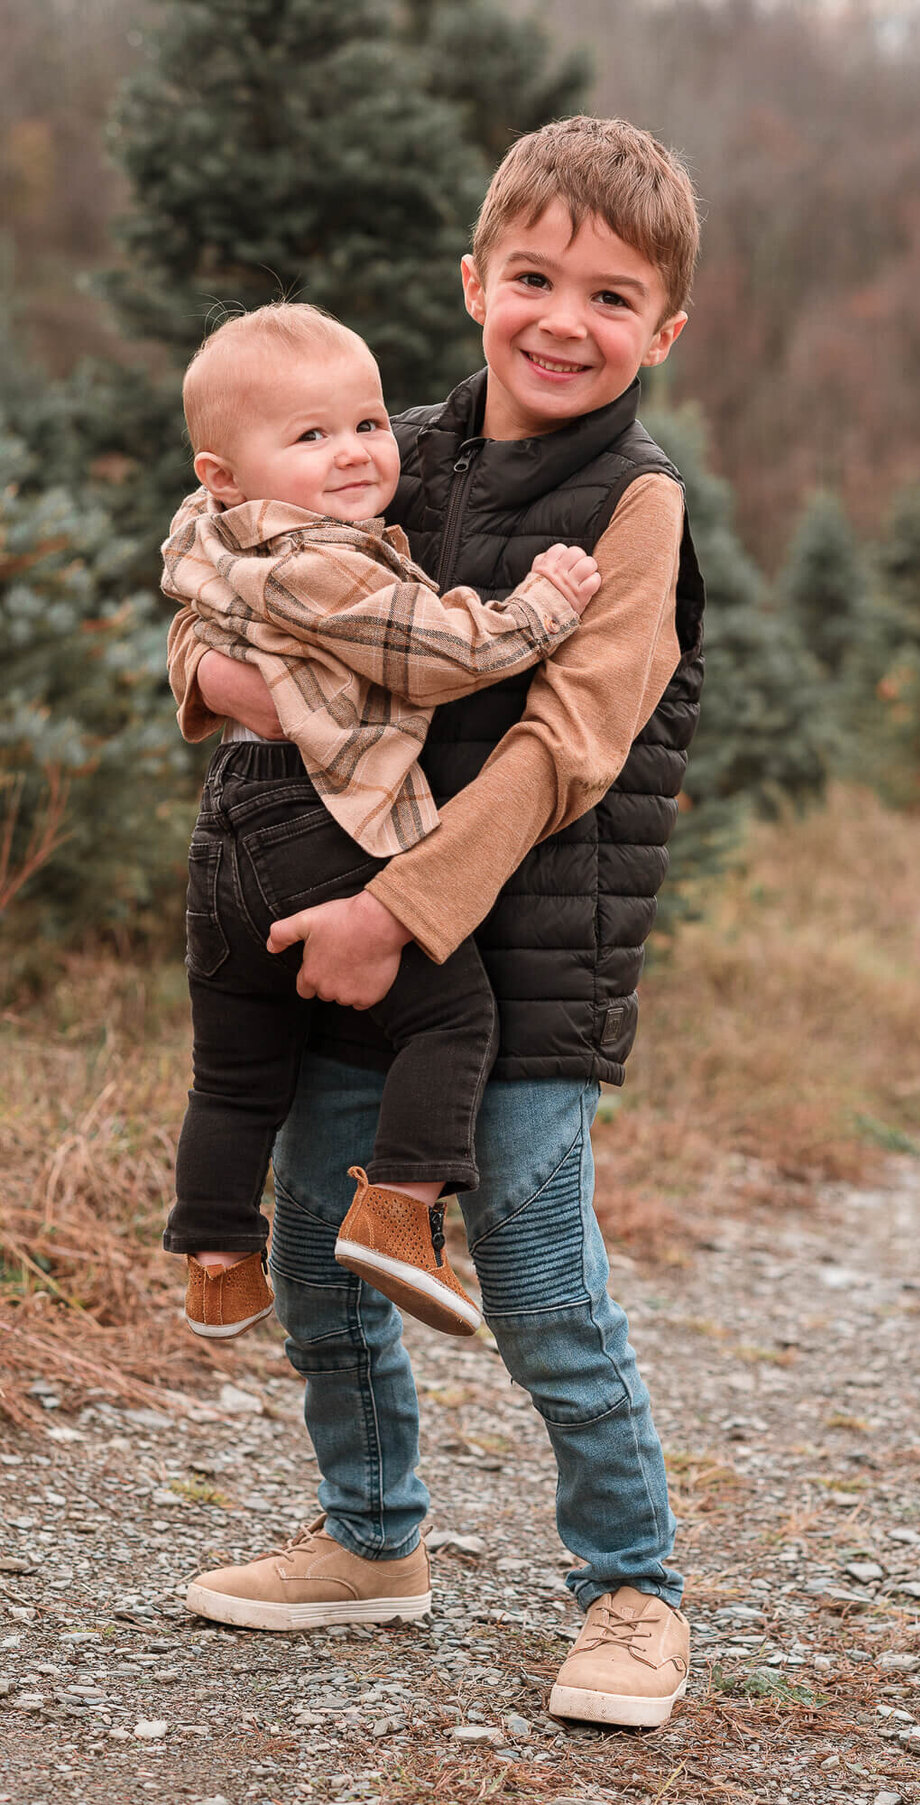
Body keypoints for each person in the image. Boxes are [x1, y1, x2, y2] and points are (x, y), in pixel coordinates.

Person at [171, 115, 705, 1730]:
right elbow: (234, 563)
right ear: (476, 281)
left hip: (514, 954)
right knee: (319, 1258)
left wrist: (396, 913)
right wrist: (199, 676)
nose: (565, 319)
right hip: (340, 935)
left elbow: (568, 748)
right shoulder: (387, 444)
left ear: (664, 332)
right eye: (534, 277)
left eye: (613, 298)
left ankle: (631, 1588)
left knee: (541, 1281)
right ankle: (371, 1536)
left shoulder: (636, 508)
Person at [163, 301, 600, 1342]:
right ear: (226, 470)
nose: (357, 453)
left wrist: (210, 671)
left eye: (366, 423)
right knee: (450, 1016)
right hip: (316, 820)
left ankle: (220, 1259)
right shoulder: (322, 558)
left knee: (234, 1071)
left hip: (228, 828)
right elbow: (434, 652)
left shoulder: (209, 527)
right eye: (310, 437)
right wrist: (542, 603)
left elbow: (190, 622)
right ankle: (398, 1208)